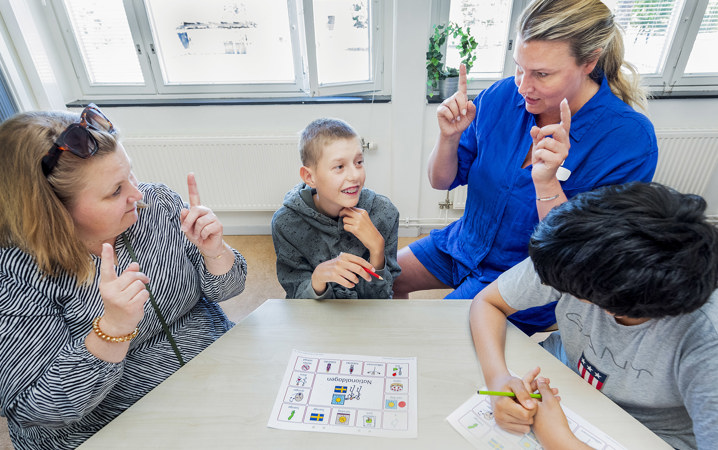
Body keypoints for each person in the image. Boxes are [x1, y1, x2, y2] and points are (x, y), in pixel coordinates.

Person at [394, 0, 659, 335]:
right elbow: (441, 181)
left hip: (525, 276)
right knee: (379, 277)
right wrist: (448, 137)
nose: (522, 85)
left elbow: (582, 253)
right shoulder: (503, 96)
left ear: (589, 62)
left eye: (542, 75)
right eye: (519, 67)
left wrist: (548, 183)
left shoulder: (628, 140)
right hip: (464, 242)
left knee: (430, 338)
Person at [0, 105, 248, 450]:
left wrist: (215, 252)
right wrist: (113, 330)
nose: (138, 194)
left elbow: (230, 288)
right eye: (115, 191)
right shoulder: (17, 274)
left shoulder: (157, 203)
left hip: (210, 380)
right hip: (107, 428)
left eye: (130, 174)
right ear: (53, 210)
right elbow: (34, 407)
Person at [470, 181, 718, 449]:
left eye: (573, 293)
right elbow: (488, 302)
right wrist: (498, 377)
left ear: (613, 307)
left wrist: (559, 441)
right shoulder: (579, 251)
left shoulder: (706, 341)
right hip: (564, 380)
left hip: (649, 433)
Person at [272, 118, 401, 299]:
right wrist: (317, 280)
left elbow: (381, 297)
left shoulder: (385, 213)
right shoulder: (285, 223)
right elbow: (297, 298)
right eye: (339, 166)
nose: (355, 175)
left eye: (359, 162)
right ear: (309, 177)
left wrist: (377, 250)